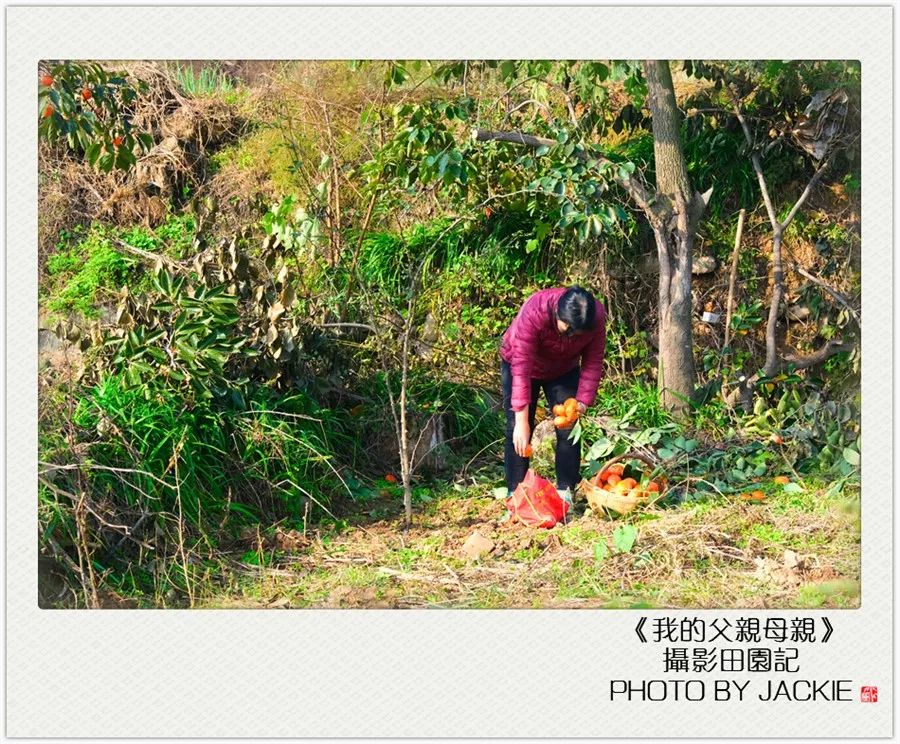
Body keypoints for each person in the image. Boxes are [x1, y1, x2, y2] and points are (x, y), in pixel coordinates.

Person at [500, 285, 607, 511]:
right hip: (521, 366)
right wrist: (521, 420)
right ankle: (516, 495)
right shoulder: (536, 310)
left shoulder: (595, 318)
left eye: (577, 333)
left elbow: (593, 361)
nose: (572, 335)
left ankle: (565, 492)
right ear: (558, 313)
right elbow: (520, 366)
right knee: (518, 429)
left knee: (569, 426)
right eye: (568, 329)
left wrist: (583, 402)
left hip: (562, 369)